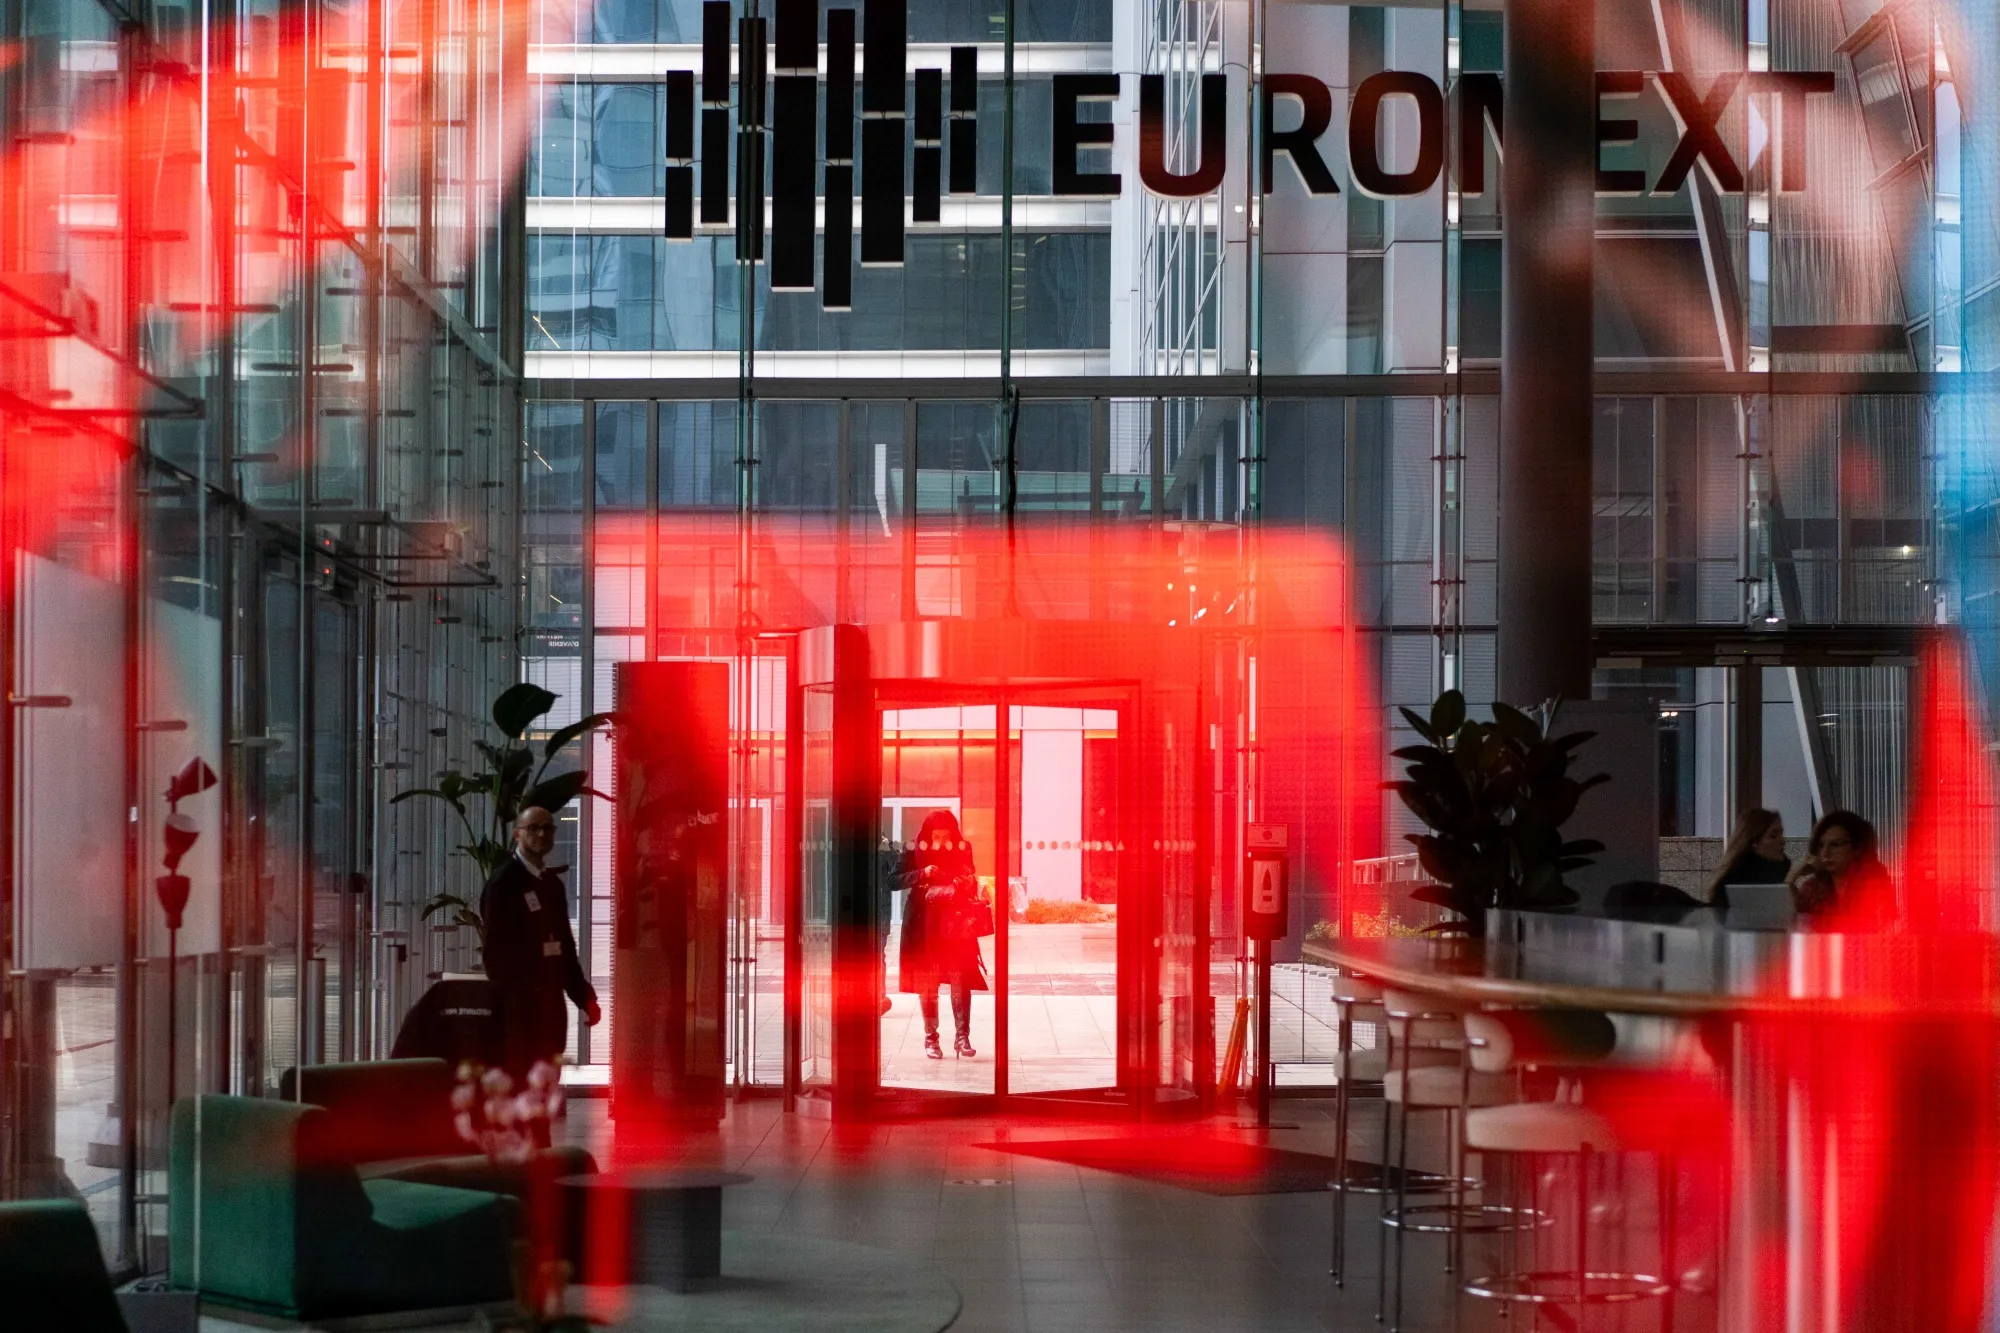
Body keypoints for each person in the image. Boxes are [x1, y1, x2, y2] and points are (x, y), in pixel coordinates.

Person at [481, 806, 601, 1074]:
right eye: (533, 827)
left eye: (548, 827)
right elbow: (494, 956)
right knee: (523, 1086)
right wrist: (515, 1003)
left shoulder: (551, 885)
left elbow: (565, 950)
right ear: (517, 835)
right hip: (520, 1011)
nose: (541, 833)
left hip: (550, 1007)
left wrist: (585, 998)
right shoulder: (503, 884)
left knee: (547, 1083)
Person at [896, 811, 988, 1060]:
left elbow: (972, 875)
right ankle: (931, 1039)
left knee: (960, 978)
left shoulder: (962, 848)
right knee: (929, 981)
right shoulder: (913, 849)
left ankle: (962, 1037)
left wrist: (966, 880)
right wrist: (922, 873)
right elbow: (893, 880)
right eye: (936, 836)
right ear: (928, 834)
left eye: (946, 836)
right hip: (923, 923)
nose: (941, 842)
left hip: (955, 921)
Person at [1787, 810, 1895, 927]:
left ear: (1857, 849)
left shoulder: (1874, 880)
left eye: (1835, 844)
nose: (1825, 853)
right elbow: (1791, 927)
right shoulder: (1812, 887)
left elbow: (1883, 926)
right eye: (1821, 845)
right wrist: (1791, 879)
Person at [1705, 807, 1791, 910]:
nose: (1782, 840)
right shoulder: (1736, 879)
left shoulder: (1780, 870)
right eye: (1773, 836)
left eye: (1781, 833)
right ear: (1754, 842)